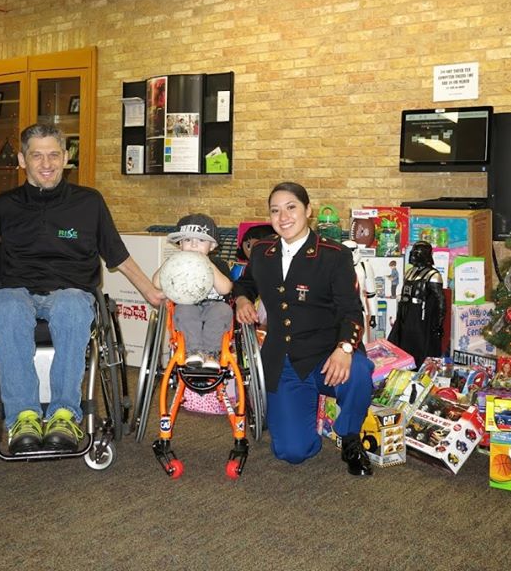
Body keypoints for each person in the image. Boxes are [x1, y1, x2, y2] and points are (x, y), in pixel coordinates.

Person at [0, 123, 164, 455]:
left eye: (54, 155)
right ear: (22, 160)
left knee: (72, 306)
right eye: (37, 155)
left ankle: (64, 414)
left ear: (66, 157)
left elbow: (116, 253)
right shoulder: (2, 205)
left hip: (72, 291)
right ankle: (23, 415)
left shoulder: (89, 202)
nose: (46, 164)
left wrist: (151, 293)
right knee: (5, 307)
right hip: (16, 290)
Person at [233, 182, 375, 476]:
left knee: (360, 372)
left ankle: (349, 437)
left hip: (328, 355)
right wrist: (242, 299)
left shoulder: (334, 255)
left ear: (308, 211)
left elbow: (351, 310)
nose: (283, 216)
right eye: (275, 210)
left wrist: (344, 349)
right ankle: (305, 419)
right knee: (291, 452)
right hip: (285, 360)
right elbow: (245, 283)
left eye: (291, 207)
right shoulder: (262, 252)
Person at [153, 214, 233, 370]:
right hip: (187, 307)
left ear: (212, 246)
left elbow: (225, 289)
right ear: (180, 245)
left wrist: (208, 264)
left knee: (223, 310)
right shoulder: (176, 263)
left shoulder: (218, 263)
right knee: (183, 309)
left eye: (201, 240)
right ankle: (193, 352)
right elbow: (156, 283)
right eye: (188, 240)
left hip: (214, 308)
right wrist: (170, 263)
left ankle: (211, 354)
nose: (194, 245)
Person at [387, 241, 445, 367]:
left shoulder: (433, 275)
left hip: (420, 316)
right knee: (401, 342)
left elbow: (440, 301)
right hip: (405, 312)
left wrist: (439, 323)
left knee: (419, 345)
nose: (413, 255)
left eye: (417, 253)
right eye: (413, 252)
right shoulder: (409, 272)